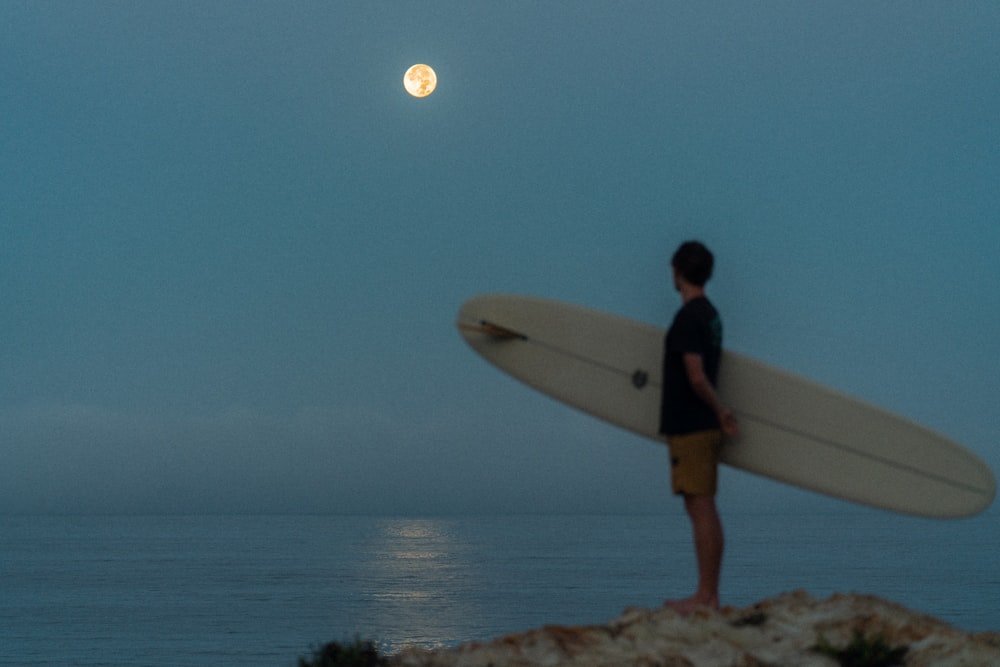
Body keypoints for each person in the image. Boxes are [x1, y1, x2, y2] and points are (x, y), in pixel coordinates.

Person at [659, 240, 739, 614]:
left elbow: (695, 376)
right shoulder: (712, 315)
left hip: (693, 426)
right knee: (702, 506)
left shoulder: (690, 318)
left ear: (677, 271)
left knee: (701, 507)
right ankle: (708, 595)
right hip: (698, 426)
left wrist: (721, 409)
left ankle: (704, 597)